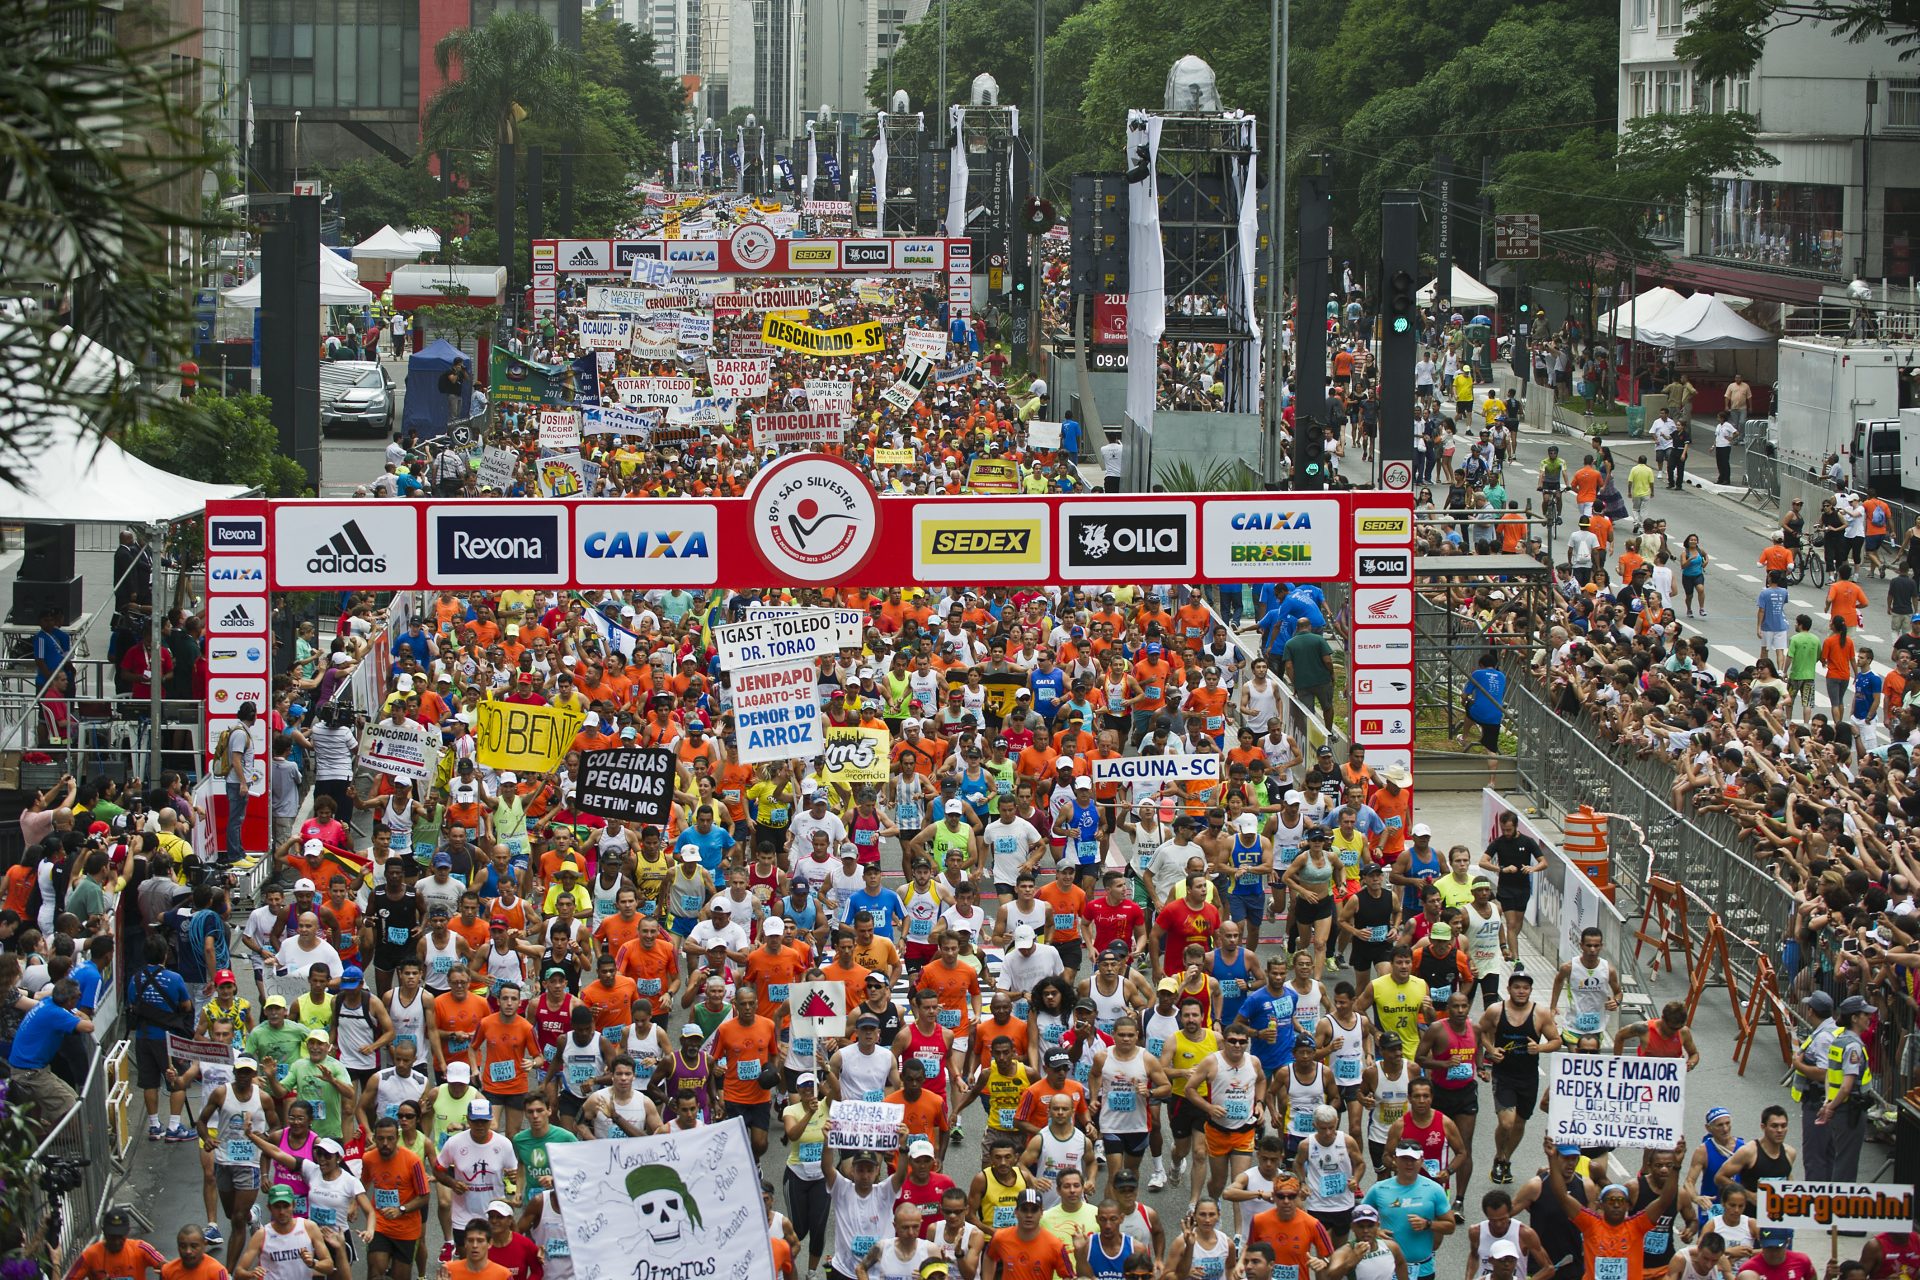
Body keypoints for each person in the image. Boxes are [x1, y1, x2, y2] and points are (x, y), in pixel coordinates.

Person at [1546, 1145, 1682, 1280]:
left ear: (1628, 1206)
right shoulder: (1590, 1223)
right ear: (1601, 1204)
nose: (1616, 1205)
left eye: (1621, 1201)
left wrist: (1676, 1166)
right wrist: (1552, 1158)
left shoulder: (1637, 1225)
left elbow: (1664, 1200)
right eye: (1611, 1201)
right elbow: (1562, 1196)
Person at [1361, 1143, 1454, 1280]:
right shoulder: (1379, 1189)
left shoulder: (1434, 1189)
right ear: (1395, 1159)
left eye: (1413, 1159)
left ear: (1421, 1161)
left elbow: (1450, 1226)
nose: (1409, 1164)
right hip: (1387, 1268)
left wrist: (1428, 1224)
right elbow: (1358, 1218)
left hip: (1422, 1269)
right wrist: (1376, 1232)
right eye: (1404, 1159)